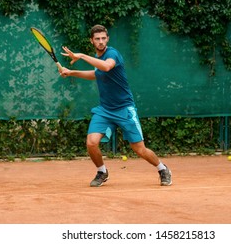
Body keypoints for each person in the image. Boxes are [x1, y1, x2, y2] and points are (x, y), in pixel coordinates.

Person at [59, 24, 172, 187]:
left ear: (108, 39)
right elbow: (97, 74)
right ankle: (102, 171)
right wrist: (71, 72)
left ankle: (162, 169)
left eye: (103, 38)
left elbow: (106, 67)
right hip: (105, 110)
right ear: (91, 40)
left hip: (124, 109)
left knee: (139, 149)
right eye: (97, 39)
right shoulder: (98, 57)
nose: (101, 41)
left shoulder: (112, 54)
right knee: (91, 142)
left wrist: (81, 55)